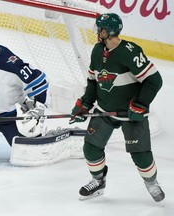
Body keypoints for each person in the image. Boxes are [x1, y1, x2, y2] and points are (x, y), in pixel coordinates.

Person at [69, 13, 165, 202]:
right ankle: (98, 181)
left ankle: (152, 183)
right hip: (104, 109)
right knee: (90, 148)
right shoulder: (97, 50)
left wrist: (141, 104)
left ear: (107, 31)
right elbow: (93, 81)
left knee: (141, 155)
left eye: (100, 29)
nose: (97, 32)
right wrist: (85, 103)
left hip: (130, 113)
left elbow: (154, 80)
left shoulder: (130, 51)